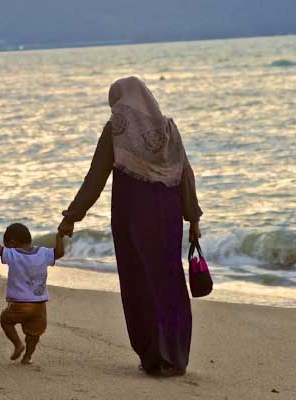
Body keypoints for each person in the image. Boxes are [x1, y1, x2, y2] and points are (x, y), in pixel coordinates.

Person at [57, 76, 203, 376]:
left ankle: (153, 356)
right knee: (169, 281)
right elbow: (185, 175)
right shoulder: (169, 129)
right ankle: (175, 355)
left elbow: (95, 177)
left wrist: (72, 216)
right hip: (168, 218)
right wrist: (193, 218)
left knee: (139, 283)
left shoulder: (117, 128)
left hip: (132, 218)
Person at [0, 223, 64, 365]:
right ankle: (27, 357)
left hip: (19, 305)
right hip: (39, 306)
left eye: (7, 244)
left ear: (12, 242)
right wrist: (59, 236)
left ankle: (18, 344)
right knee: (34, 334)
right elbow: (59, 253)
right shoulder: (43, 253)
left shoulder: (13, 254)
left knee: (5, 320)